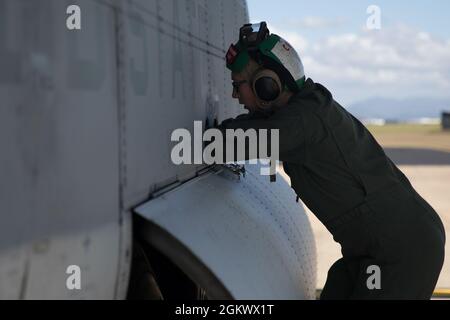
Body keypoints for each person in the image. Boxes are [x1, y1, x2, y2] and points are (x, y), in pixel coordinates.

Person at [216, 22, 446, 299]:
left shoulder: (303, 122)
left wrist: (189, 140)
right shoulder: (305, 108)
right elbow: (258, 127)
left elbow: (231, 142)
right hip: (369, 250)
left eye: (237, 85)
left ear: (266, 85)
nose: (234, 95)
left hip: (399, 251)